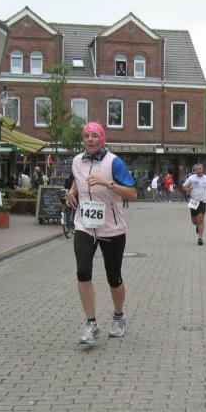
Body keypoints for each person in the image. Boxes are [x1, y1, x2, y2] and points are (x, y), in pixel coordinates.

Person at [64, 121, 137, 346]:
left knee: (113, 276)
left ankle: (118, 316)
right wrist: (71, 192)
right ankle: (91, 323)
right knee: (83, 271)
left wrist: (108, 183)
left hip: (111, 227)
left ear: (102, 139)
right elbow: (77, 180)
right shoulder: (77, 161)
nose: (90, 139)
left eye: (94, 135)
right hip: (84, 225)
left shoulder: (114, 162)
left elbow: (133, 193)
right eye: (86, 135)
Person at [181, 163, 206, 245]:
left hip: (202, 201)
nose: (198, 170)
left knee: (200, 220)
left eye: (200, 169)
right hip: (193, 201)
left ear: (202, 169)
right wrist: (188, 190)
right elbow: (183, 186)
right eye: (196, 169)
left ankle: (200, 238)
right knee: (194, 221)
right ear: (194, 170)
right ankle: (198, 226)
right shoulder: (191, 178)